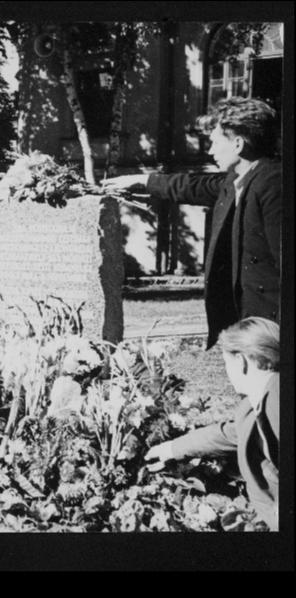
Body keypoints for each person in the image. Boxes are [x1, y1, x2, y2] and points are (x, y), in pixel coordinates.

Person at [104, 98, 281, 348]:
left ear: (238, 144)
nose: (210, 150)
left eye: (215, 141)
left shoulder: (274, 184)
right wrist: (142, 181)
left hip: (272, 329)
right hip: (251, 326)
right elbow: (193, 186)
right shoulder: (238, 181)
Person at [145, 317, 279, 530]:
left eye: (226, 363)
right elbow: (230, 433)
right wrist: (171, 448)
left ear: (242, 361)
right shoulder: (259, 398)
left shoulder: (277, 400)